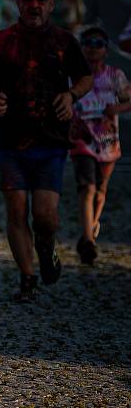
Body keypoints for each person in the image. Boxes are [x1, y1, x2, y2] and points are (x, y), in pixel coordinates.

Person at [0, 0, 93, 303]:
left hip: (50, 140)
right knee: (17, 210)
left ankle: (47, 248)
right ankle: (27, 277)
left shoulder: (64, 41)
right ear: (18, 6)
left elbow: (85, 77)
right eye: (28, 1)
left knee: (45, 216)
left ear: (51, 6)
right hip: (8, 140)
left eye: (41, 1)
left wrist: (71, 94)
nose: (34, 6)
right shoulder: (2, 41)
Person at [69, 27, 131, 265]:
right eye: (88, 43)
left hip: (107, 139)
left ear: (106, 49)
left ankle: (92, 226)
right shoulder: (73, 75)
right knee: (87, 187)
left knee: (101, 190)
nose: (93, 48)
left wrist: (117, 108)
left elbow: (128, 100)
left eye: (98, 43)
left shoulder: (115, 75)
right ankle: (87, 240)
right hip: (81, 139)